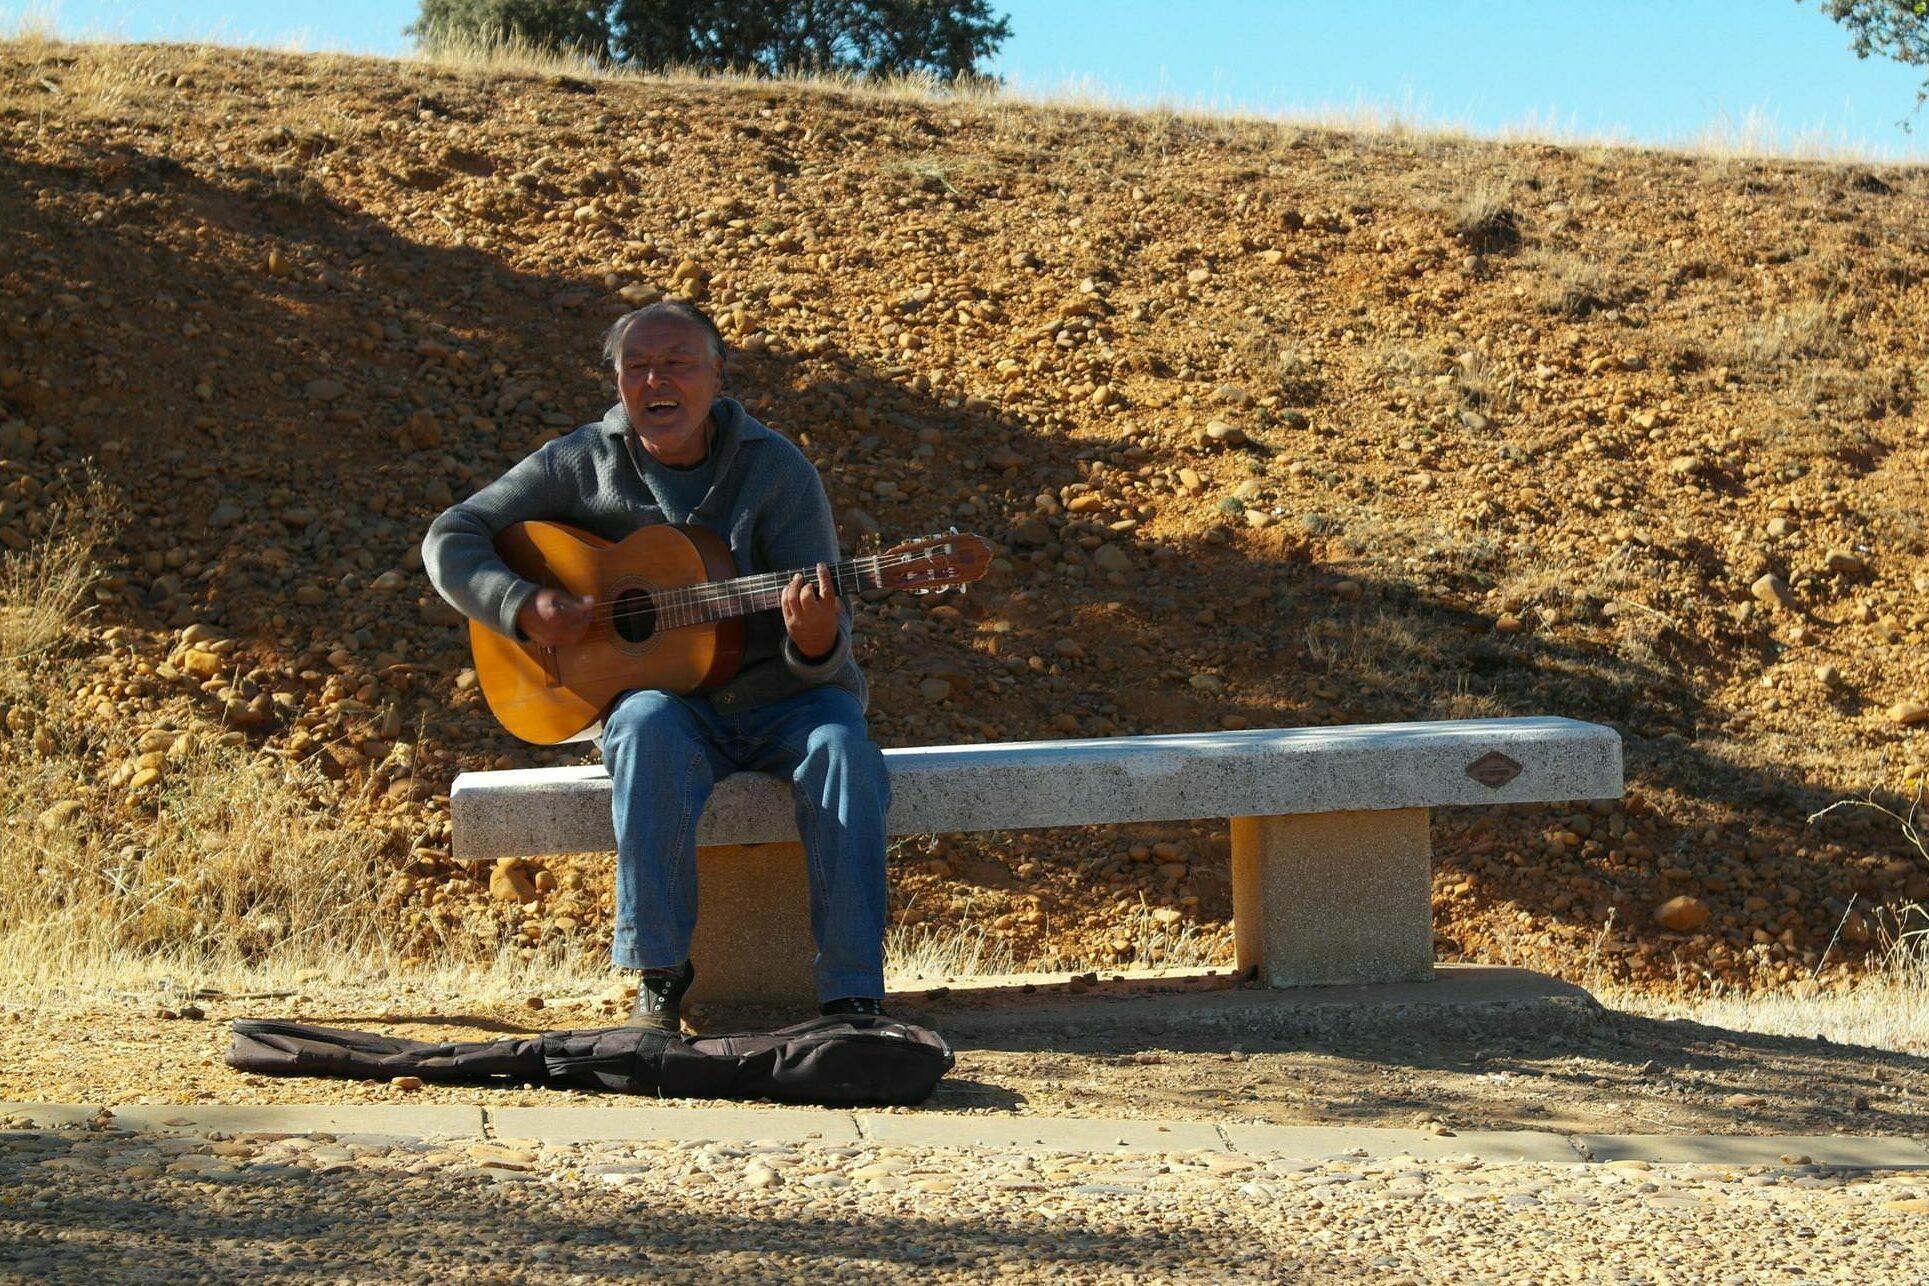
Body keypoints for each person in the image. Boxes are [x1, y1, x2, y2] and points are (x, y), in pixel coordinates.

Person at [422, 301, 891, 1031]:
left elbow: (826, 636)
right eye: (637, 366)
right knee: (642, 723)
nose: (655, 379)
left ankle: (852, 995)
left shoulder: (776, 470)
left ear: (715, 377)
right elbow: (452, 533)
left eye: (677, 363)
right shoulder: (579, 460)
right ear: (616, 379)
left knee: (843, 751)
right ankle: (659, 978)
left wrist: (813, 634)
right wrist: (520, 604)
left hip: (785, 699)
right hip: (673, 704)